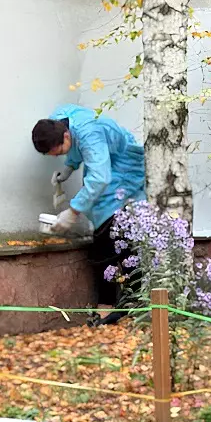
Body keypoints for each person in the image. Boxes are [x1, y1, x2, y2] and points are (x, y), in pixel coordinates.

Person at [31, 106, 145, 327]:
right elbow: (77, 148)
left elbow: (101, 178)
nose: (59, 155)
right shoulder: (58, 120)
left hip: (125, 166)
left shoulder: (89, 134)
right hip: (106, 162)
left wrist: (72, 213)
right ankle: (125, 304)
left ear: (65, 135)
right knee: (110, 230)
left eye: (59, 152)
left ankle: (120, 306)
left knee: (109, 232)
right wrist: (70, 167)